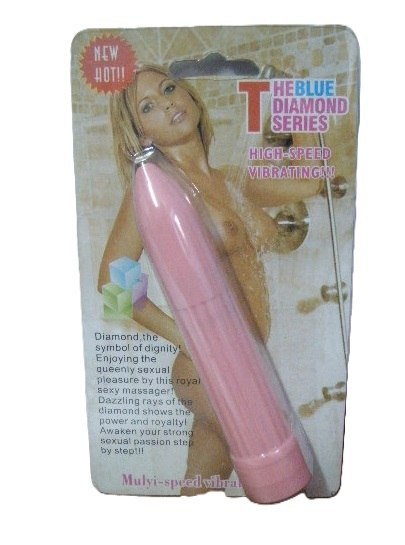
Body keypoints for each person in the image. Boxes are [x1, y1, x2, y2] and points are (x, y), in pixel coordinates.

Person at [98, 64, 323, 495]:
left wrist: (297, 98)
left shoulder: (229, 180)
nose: (167, 103)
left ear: (190, 93)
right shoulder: (155, 192)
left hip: (246, 363)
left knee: (202, 482)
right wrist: (183, 336)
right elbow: (111, 283)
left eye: (169, 88)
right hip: (209, 369)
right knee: (277, 475)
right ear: (140, 134)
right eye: (148, 106)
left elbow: (310, 181)